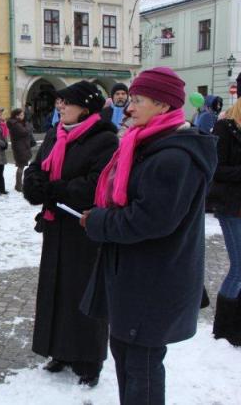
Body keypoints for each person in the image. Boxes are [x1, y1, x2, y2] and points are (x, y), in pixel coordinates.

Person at [81, 67, 217, 404]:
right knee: (127, 357)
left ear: (163, 105)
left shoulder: (173, 157)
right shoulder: (146, 145)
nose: (128, 106)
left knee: (141, 365)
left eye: (138, 99)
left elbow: (150, 221)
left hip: (153, 281)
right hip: (133, 277)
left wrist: (99, 222)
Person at [23, 81, 118, 387]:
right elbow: (37, 167)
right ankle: (59, 350)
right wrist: (34, 181)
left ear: (86, 108)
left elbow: (96, 185)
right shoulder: (56, 134)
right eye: (59, 101)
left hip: (83, 228)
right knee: (55, 289)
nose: (60, 106)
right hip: (56, 225)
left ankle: (89, 360)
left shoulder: (104, 140)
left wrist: (53, 188)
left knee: (83, 293)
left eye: (67, 102)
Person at [206, 98, 241, 346]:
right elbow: (215, 169)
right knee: (239, 268)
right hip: (232, 207)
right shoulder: (225, 127)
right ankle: (224, 326)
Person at [7, 108, 35, 192]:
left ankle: (18, 185)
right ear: (17, 116)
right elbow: (24, 132)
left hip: (21, 147)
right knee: (20, 166)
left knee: (21, 166)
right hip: (20, 148)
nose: (23, 116)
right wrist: (29, 126)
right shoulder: (15, 124)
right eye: (22, 115)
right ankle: (18, 186)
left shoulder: (17, 123)